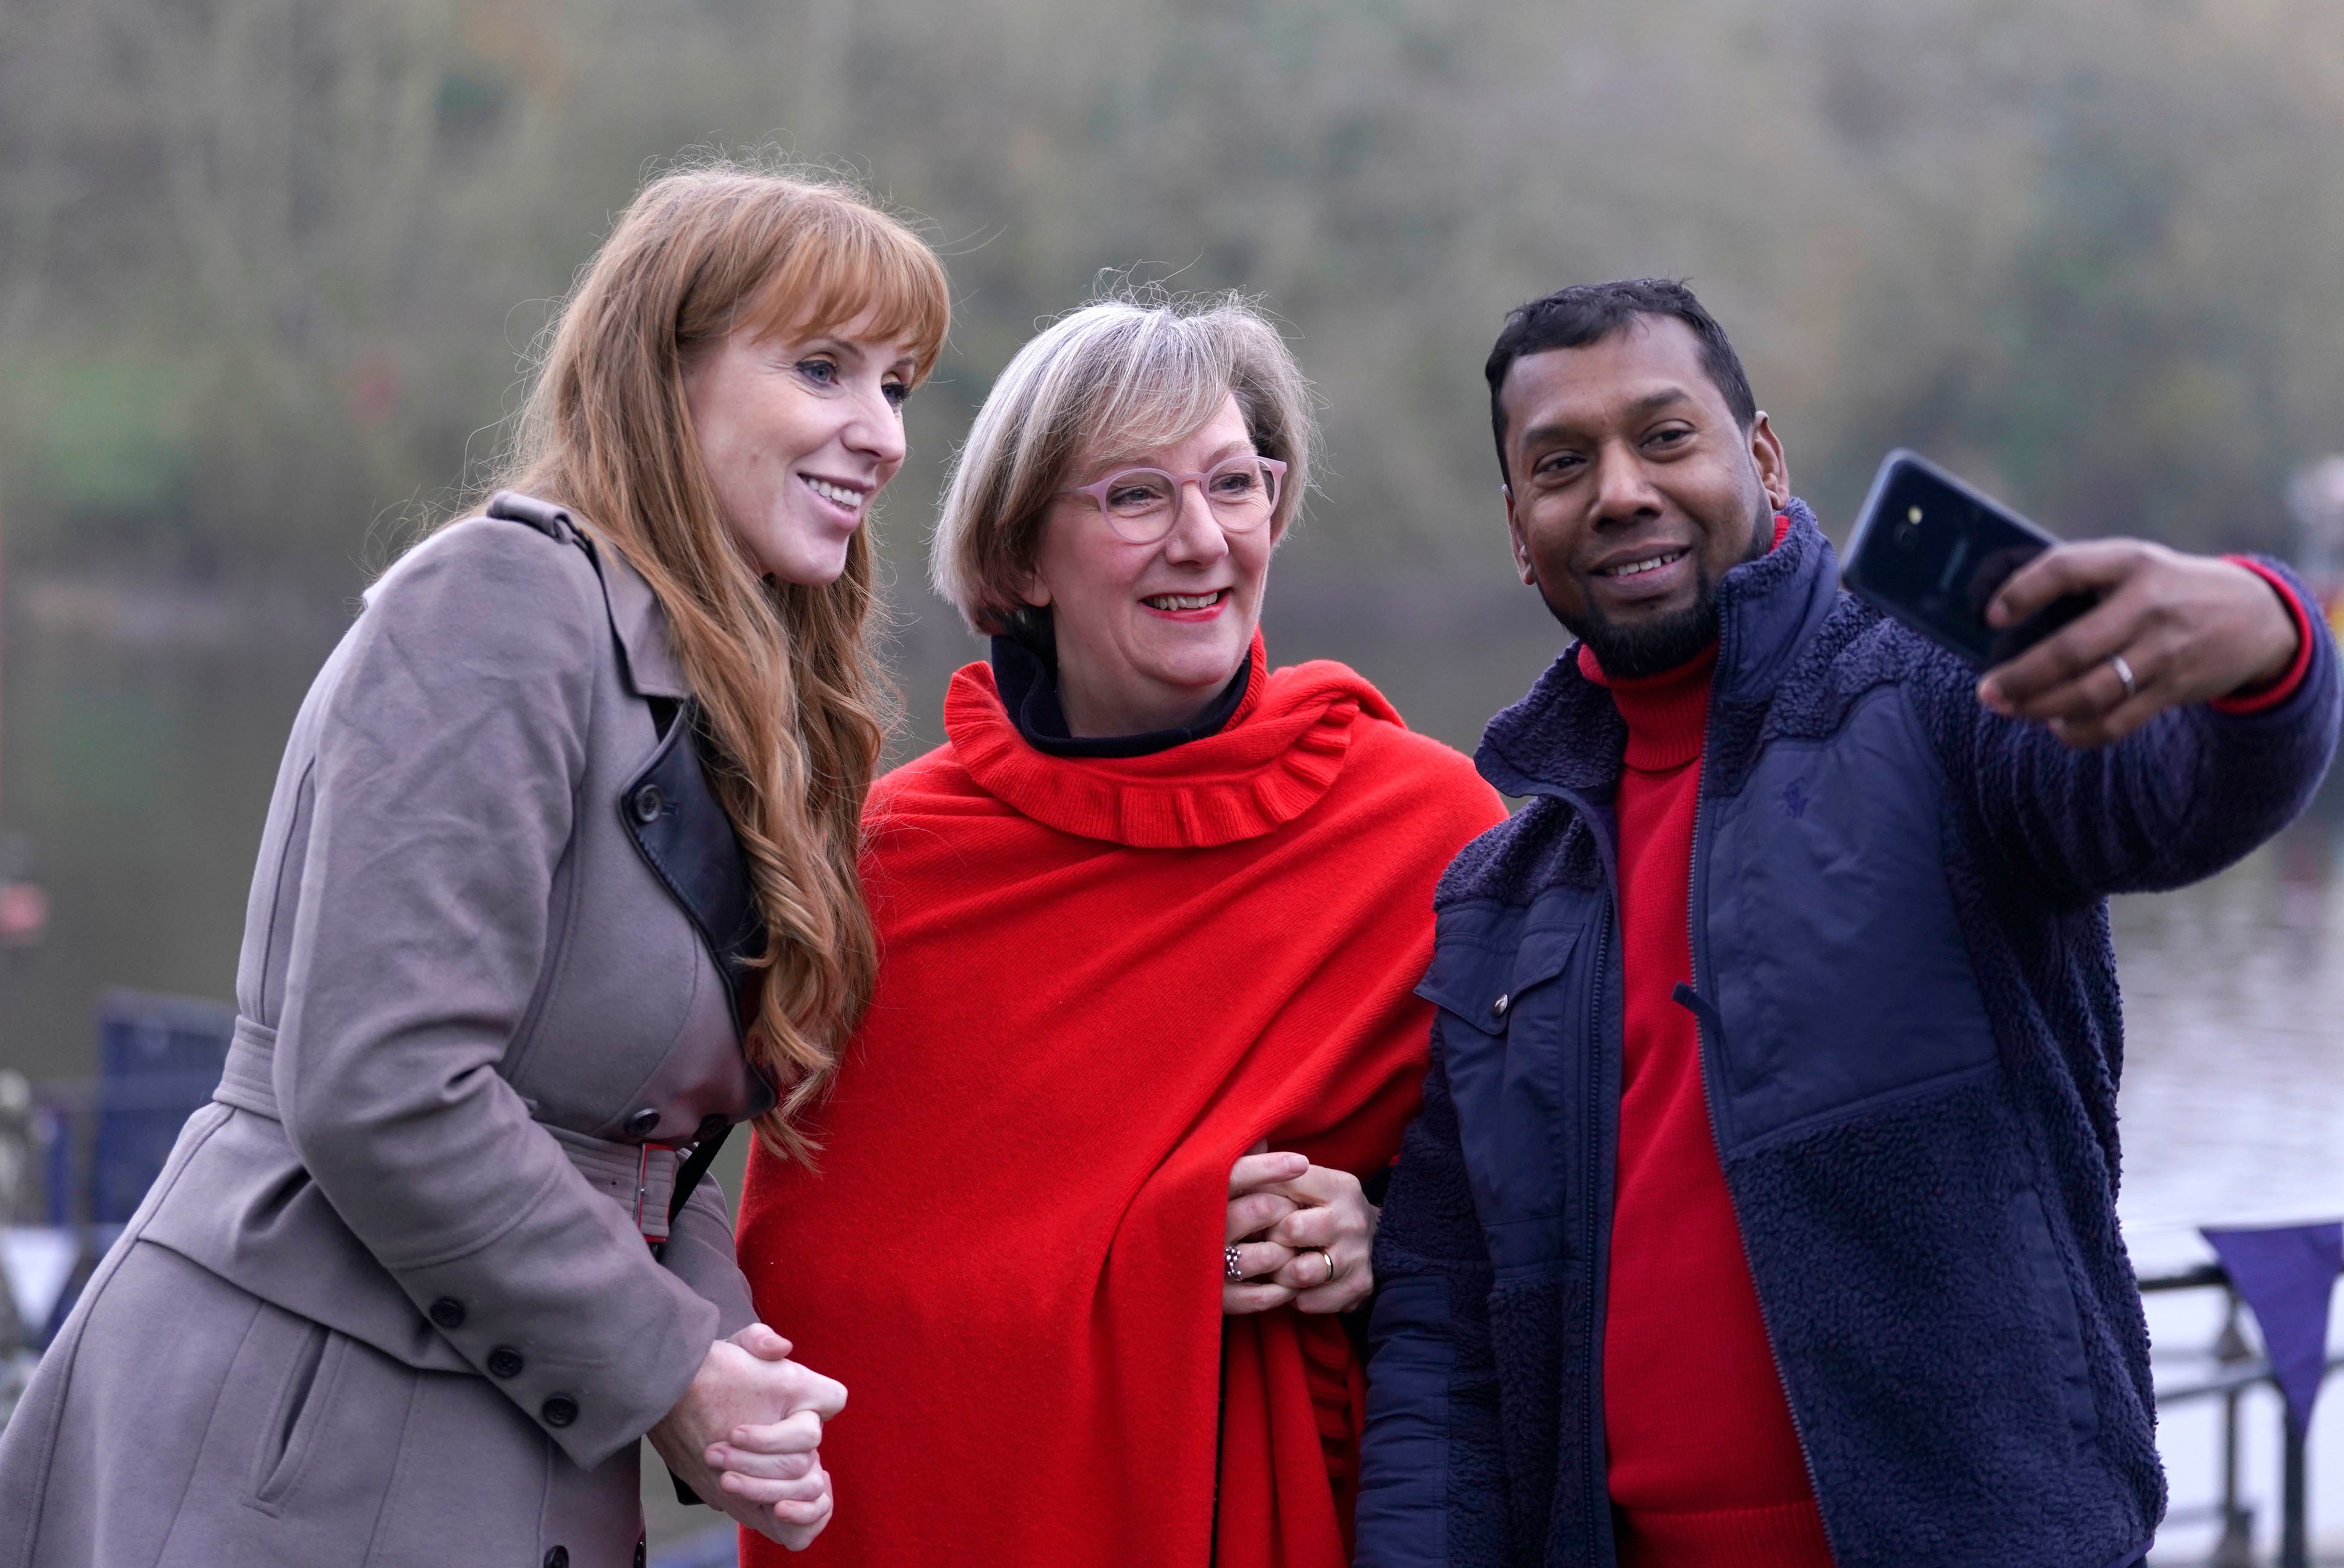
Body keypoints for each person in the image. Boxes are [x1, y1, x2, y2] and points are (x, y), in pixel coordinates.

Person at [0, 163, 952, 1567]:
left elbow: (642, 1147)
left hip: (512, 1443)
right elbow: (380, 1080)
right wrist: (668, 1366)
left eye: (898, 386)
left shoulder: (728, 697)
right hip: (297, 1443)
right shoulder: (501, 605)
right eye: (822, 368)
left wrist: (727, 1373)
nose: (881, 433)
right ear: (661, 375)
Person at [1355, 278, 2340, 1568]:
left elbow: (2164, 802)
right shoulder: (1504, 885)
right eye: (1560, 462)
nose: (1617, 491)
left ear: (1757, 456)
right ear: (1517, 529)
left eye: (1663, 436)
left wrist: (2270, 648)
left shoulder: (1935, 696)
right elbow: (1442, 1323)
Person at [732, 295, 1506, 1567]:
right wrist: (1157, 1256)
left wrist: (1381, 1234)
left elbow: (1561, 1205)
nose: (1201, 539)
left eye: (1235, 483)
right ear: (1019, 558)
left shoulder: (1421, 827)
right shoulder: (885, 863)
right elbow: (823, 1288)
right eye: (1134, 496)